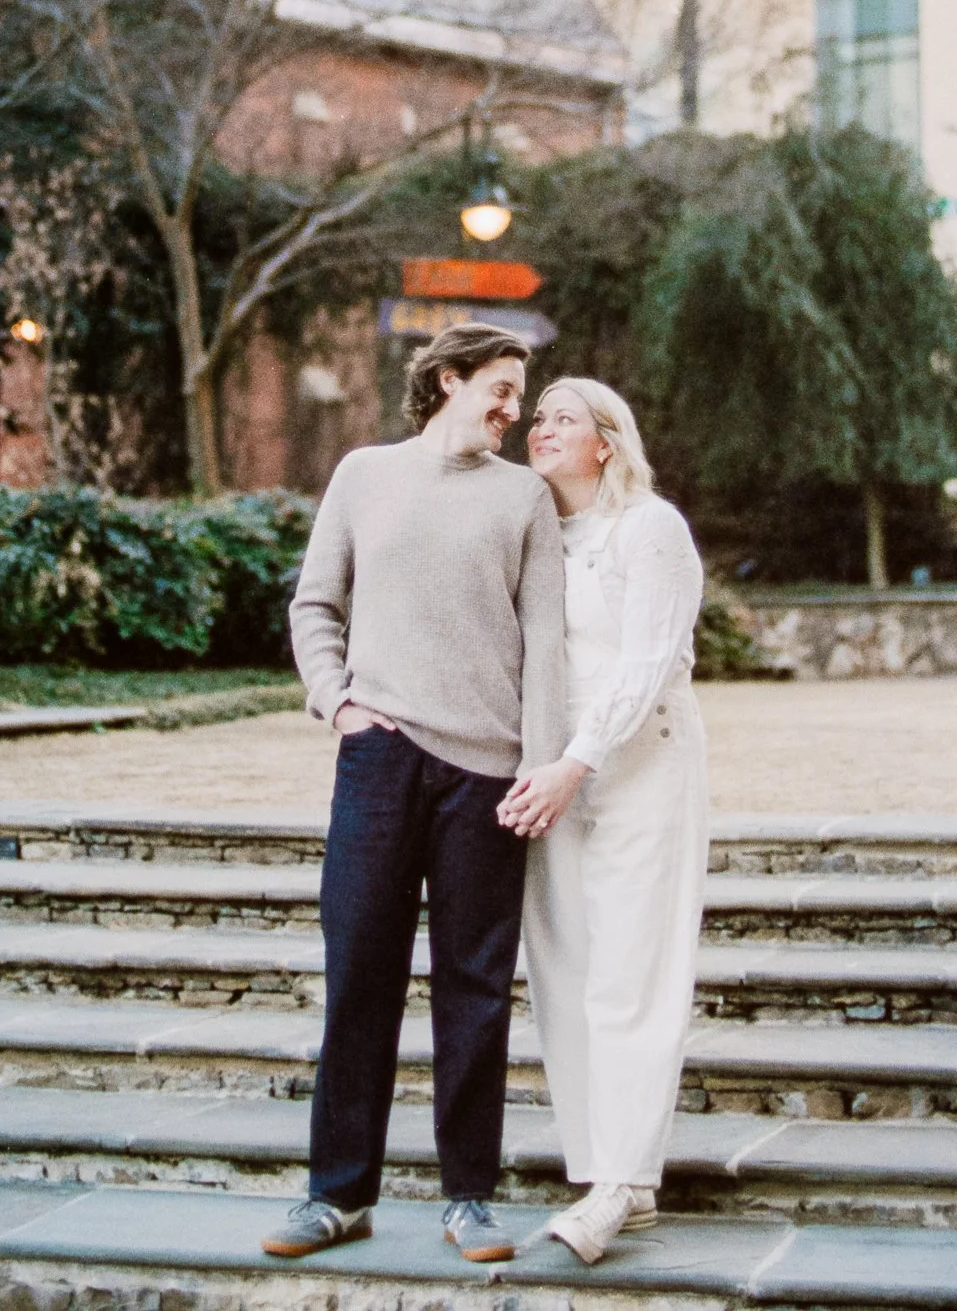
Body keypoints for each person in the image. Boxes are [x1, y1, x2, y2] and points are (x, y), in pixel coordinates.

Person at [261, 321, 567, 1266]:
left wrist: (539, 763)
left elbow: (546, 642)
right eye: (502, 389)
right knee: (359, 972)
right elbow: (316, 603)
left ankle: (468, 1198)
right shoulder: (363, 475)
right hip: (380, 761)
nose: (514, 410)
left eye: (521, 394)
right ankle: (335, 1195)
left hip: (487, 776)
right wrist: (337, 702)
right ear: (447, 380)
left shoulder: (524, 498)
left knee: (474, 991)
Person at [497, 377, 708, 1266]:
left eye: (564, 418)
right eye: (536, 416)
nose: (540, 428)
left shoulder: (649, 528)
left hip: (636, 765)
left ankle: (617, 1187)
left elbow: (647, 664)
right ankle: (608, 1172)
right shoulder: (535, 538)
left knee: (631, 974)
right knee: (565, 972)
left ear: (607, 442)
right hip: (550, 774)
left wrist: (575, 761)